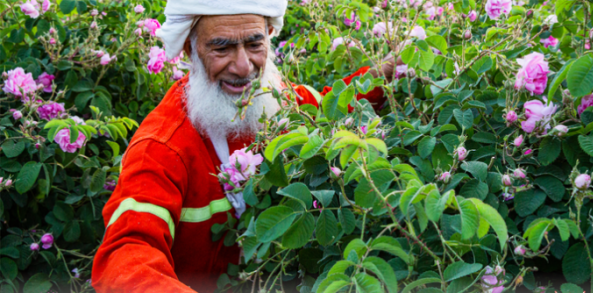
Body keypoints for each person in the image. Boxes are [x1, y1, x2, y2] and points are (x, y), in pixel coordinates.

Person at [91, 0, 396, 291]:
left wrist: (390, 72)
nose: (243, 66)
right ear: (189, 48)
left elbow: (334, 105)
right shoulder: (161, 146)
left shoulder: (280, 102)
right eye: (221, 48)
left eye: (254, 45)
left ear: (270, 35)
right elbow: (127, 253)